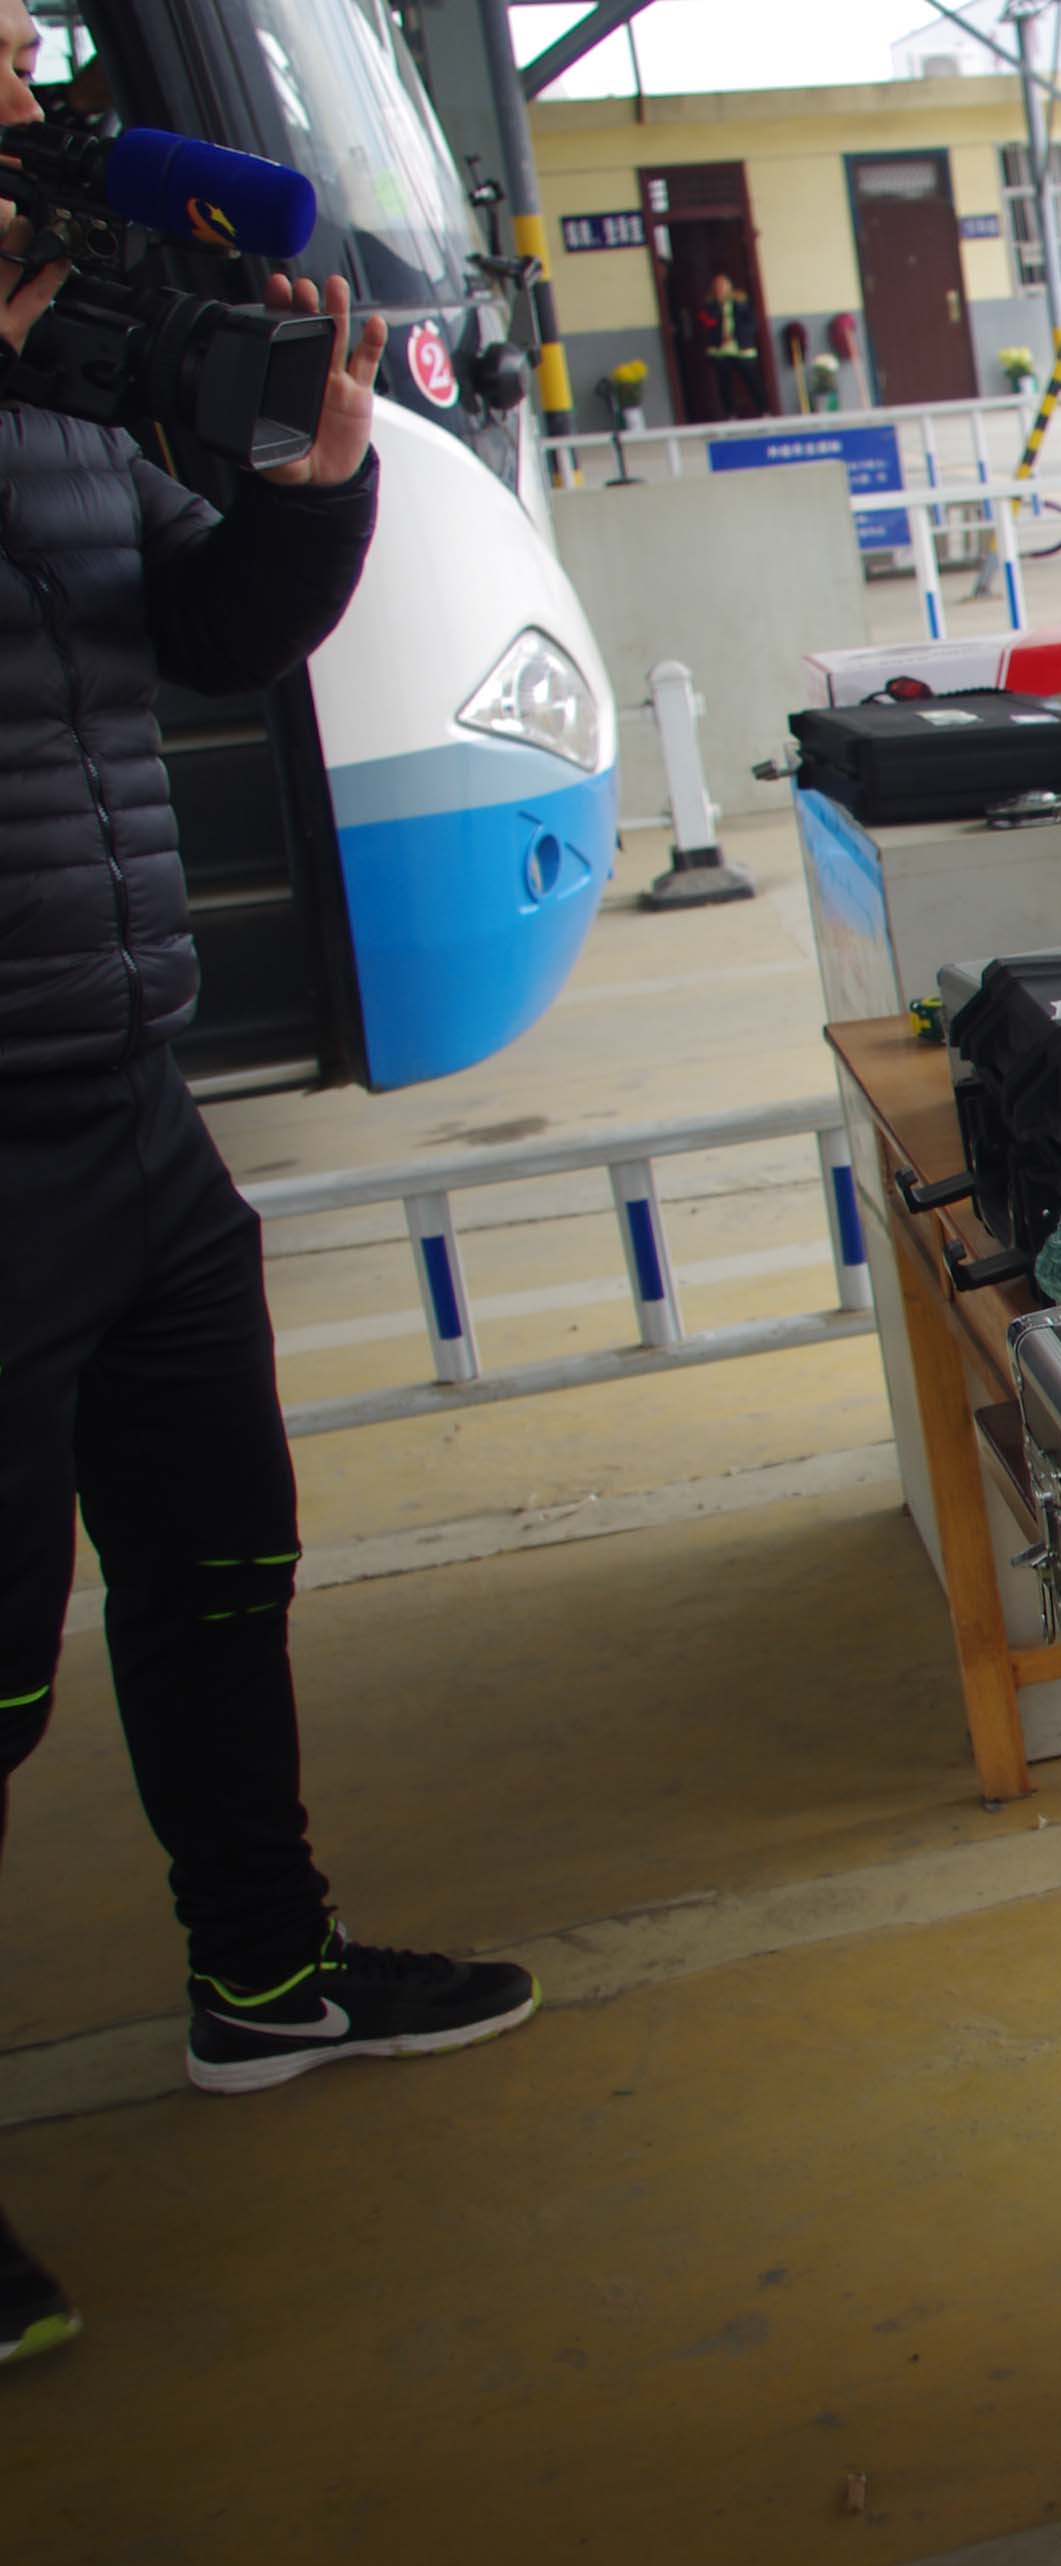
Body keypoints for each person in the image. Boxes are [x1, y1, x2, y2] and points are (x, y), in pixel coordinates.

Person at [1, 30, 541, 2366]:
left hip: (128, 1104)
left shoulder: (65, 389)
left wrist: (317, 488)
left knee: (220, 1563)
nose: (38, 101)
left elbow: (207, 636)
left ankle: (268, 1972)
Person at [698, 270, 770, 420]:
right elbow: (706, 323)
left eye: (723, 286)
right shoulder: (709, 306)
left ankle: (764, 411)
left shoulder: (741, 302)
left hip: (742, 349)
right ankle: (730, 414)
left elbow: (751, 323)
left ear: (729, 287)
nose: (720, 289)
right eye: (717, 286)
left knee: (752, 380)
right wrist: (717, 311)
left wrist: (735, 335)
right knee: (724, 384)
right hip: (720, 351)